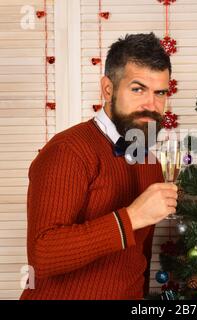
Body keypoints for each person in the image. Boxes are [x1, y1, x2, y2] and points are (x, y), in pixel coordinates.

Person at [20, 33, 178, 300]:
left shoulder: (151, 164)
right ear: (108, 89)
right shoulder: (68, 150)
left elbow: (137, 262)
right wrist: (131, 217)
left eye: (160, 93)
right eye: (138, 89)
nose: (152, 105)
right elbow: (43, 253)